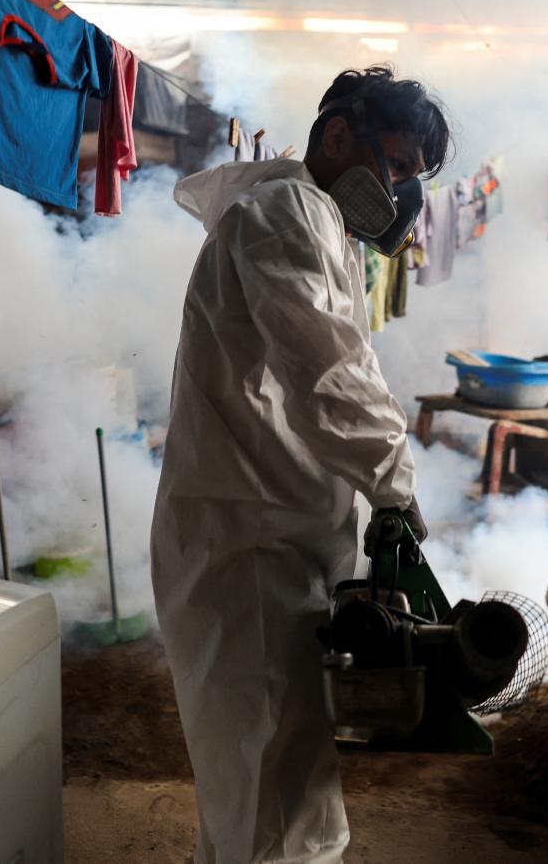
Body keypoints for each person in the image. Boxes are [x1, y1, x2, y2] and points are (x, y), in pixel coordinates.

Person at [150, 66, 452, 864]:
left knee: (262, 774)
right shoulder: (287, 211)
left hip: (266, 527)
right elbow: (330, 373)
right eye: (393, 166)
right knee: (271, 779)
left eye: (409, 180)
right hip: (252, 544)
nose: (397, 194)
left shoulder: (310, 219)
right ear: (338, 133)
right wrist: (394, 479)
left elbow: (328, 367)